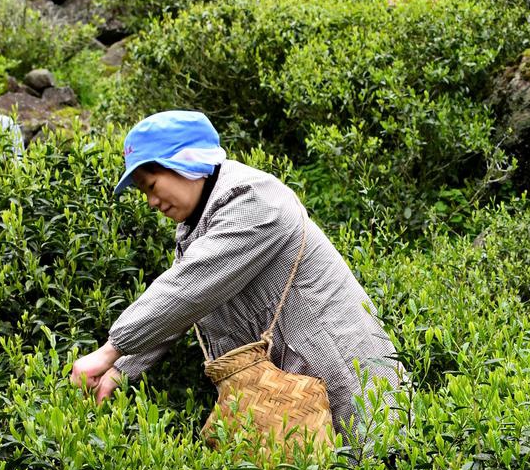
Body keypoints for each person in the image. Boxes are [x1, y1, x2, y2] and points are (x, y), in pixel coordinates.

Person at [67, 111, 406, 437]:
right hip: (291, 393)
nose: (152, 202)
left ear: (187, 162)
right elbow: (179, 312)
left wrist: (109, 350)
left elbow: (187, 290)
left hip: (343, 376)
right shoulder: (198, 225)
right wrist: (119, 370)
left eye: (152, 185)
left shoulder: (254, 198)